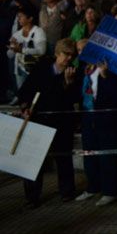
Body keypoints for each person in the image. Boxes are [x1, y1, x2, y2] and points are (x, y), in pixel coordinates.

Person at [17, 38, 79, 207]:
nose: (68, 58)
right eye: (65, 54)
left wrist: (68, 83)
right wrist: (24, 107)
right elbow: (26, 90)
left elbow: (73, 98)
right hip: (39, 120)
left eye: (71, 55)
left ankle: (67, 191)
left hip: (62, 122)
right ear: (57, 54)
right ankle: (32, 196)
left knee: (63, 158)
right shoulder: (42, 68)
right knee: (34, 160)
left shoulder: (74, 72)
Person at [74, 57, 117, 206]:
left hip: (106, 118)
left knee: (106, 155)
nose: (81, 53)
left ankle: (110, 191)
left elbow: (116, 94)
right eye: (80, 50)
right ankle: (92, 187)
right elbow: (79, 92)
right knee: (89, 153)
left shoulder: (110, 69)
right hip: (88, 116)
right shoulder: (84, 69)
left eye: (84, 50)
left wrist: (105, 76)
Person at [7, 7, 47, 94]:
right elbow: (10, 55)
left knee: (33, 94)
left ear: (30, 19)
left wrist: (22, 49)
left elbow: (42, 51)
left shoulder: (38, 31)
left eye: (21, 16)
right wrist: (12, 47)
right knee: (22, 96)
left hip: (34, 69)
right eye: (18, 16)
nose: (19, 19)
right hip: (20, 69)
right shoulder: (17, 34)